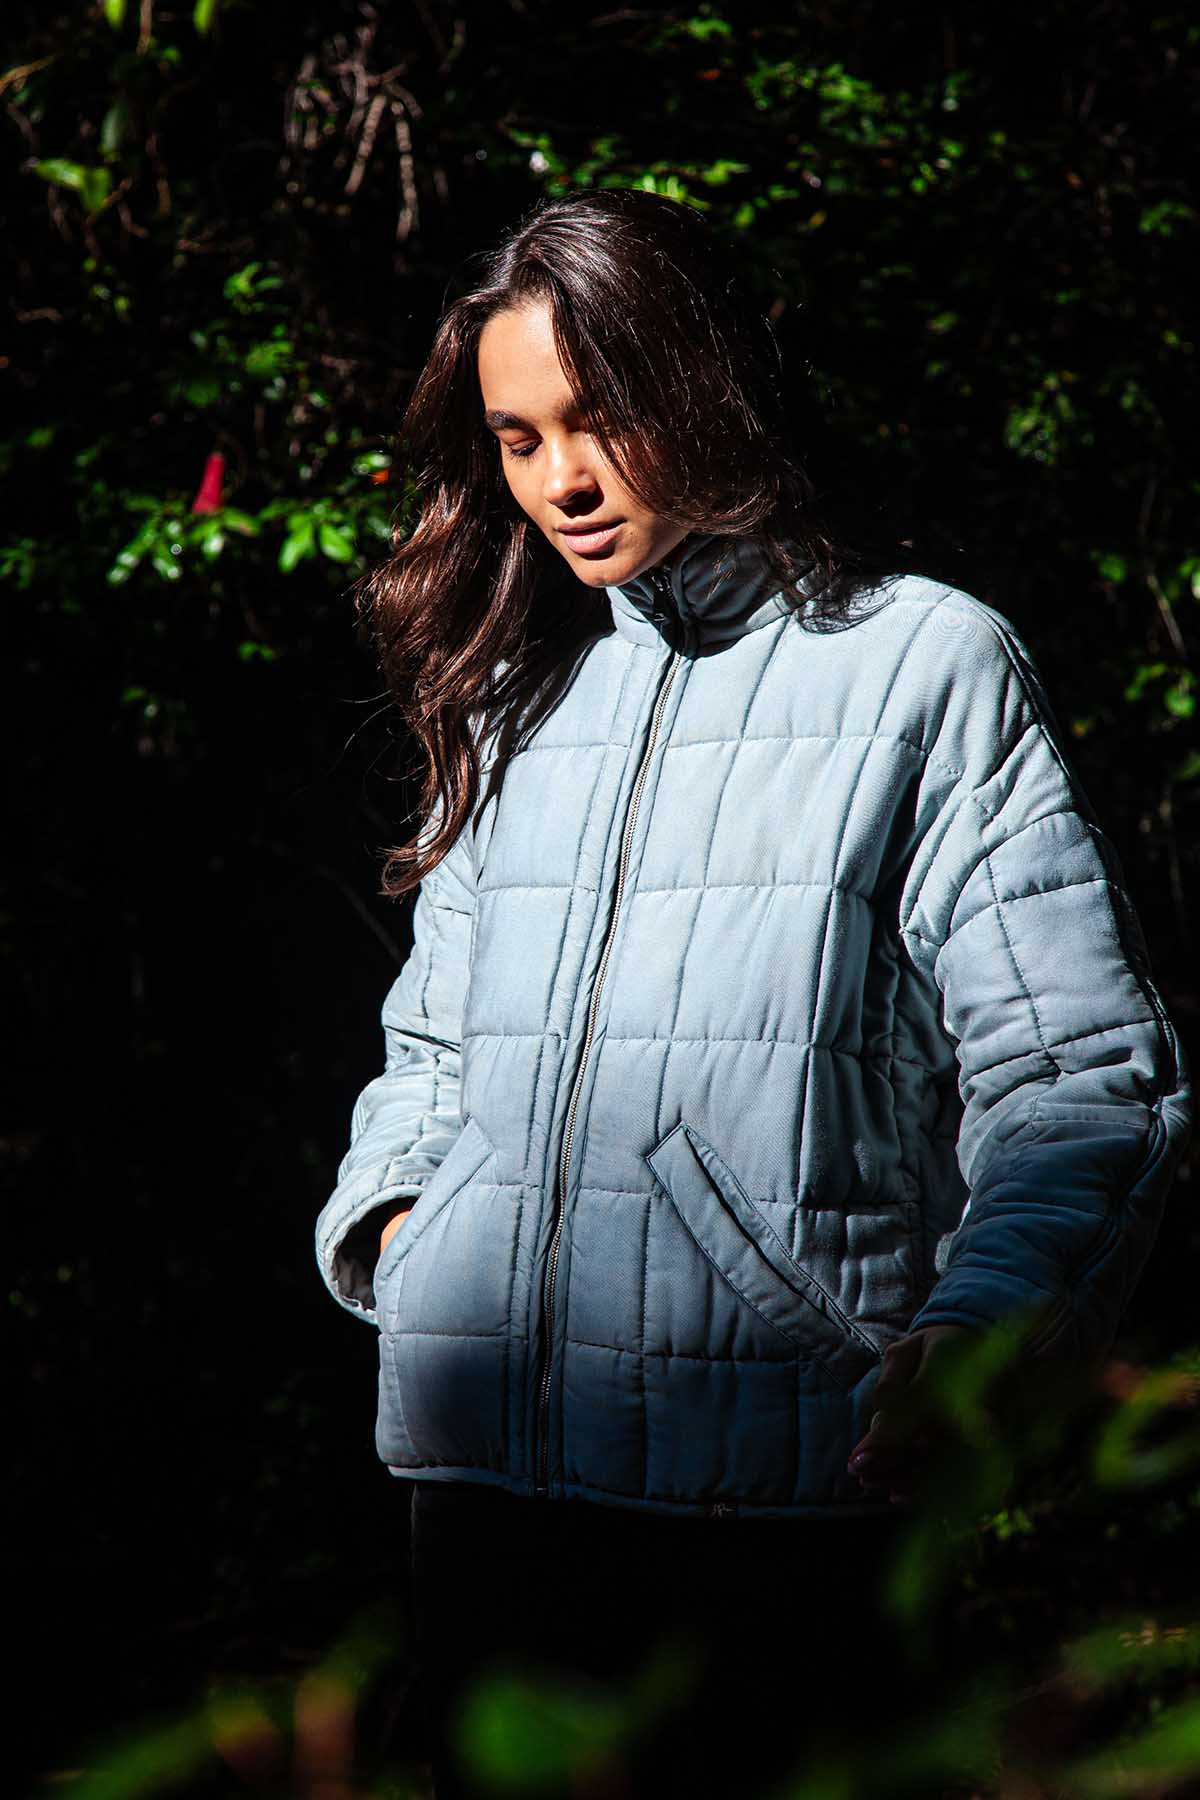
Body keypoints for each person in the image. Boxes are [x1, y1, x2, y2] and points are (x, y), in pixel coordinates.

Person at [314, 188, 1191, 1797]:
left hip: (786, 1502)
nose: (564, 481)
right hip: (484, 1488)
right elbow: (434, 1037)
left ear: (703, 386)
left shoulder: (921, 665)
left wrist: (981, 1335)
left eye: (600, 418)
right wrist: (405, 1231)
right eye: (518, 440)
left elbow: (1082, 1074)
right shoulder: (519, 686)